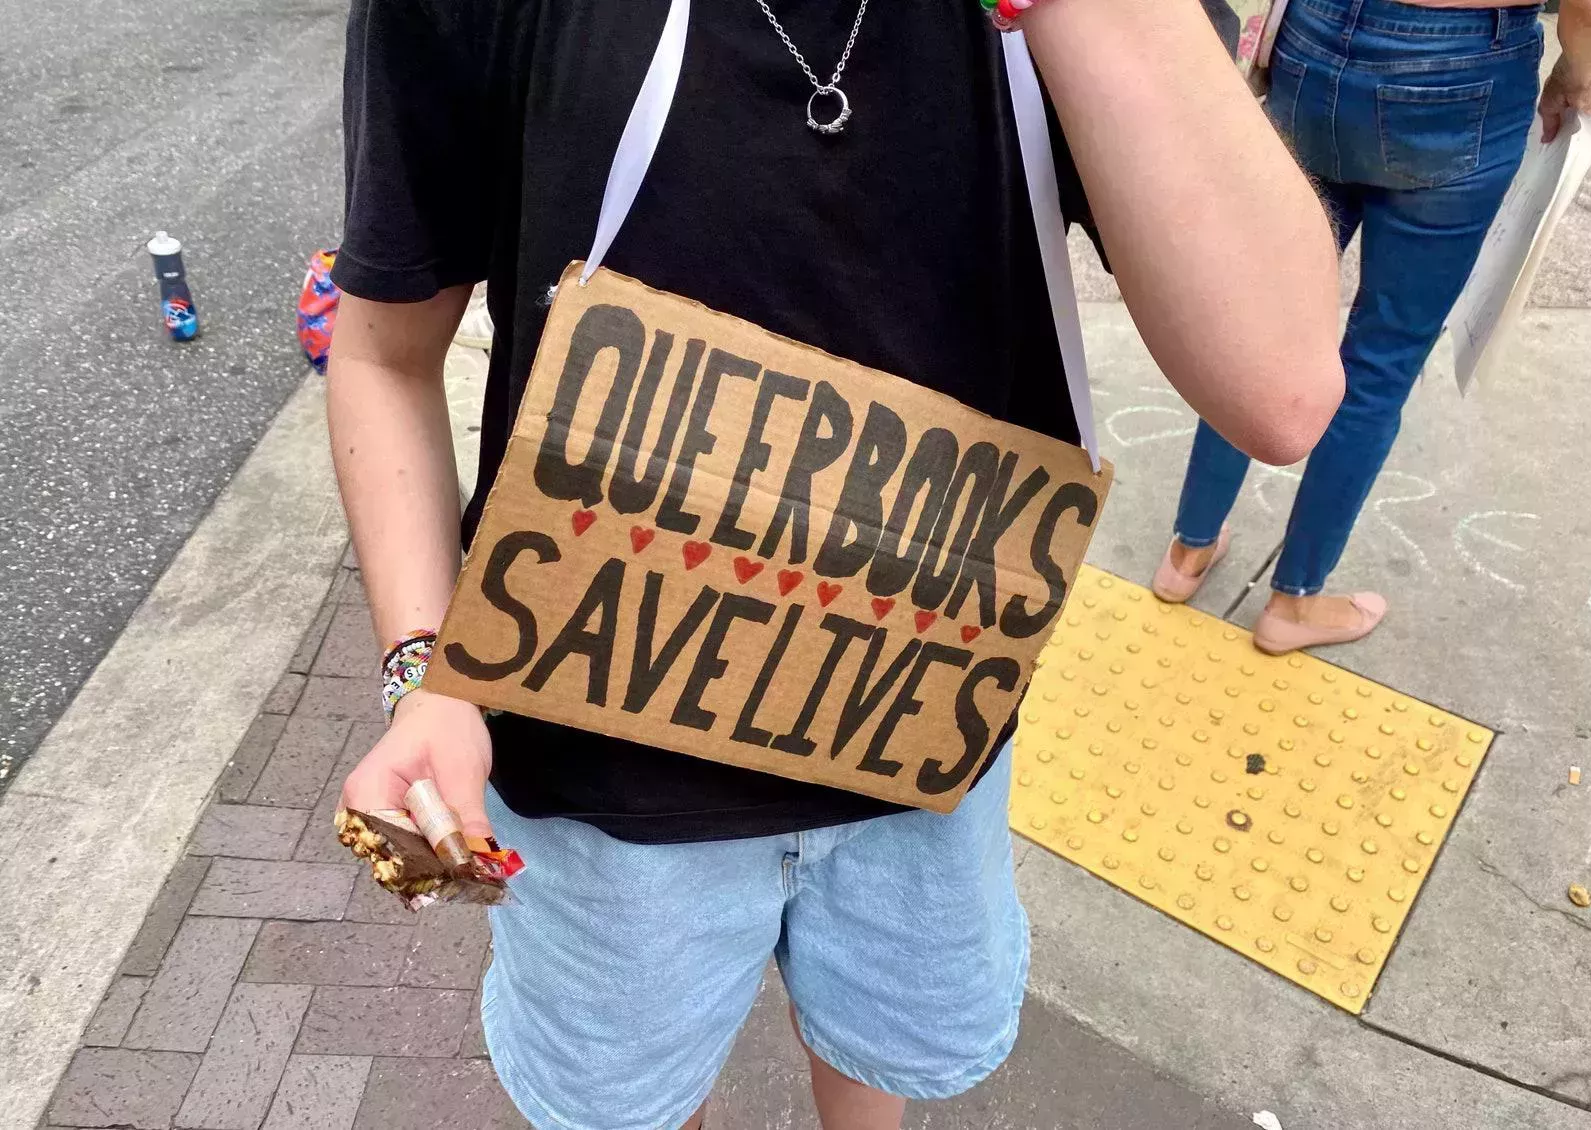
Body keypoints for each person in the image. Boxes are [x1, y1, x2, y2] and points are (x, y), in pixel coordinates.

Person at [327, 1, 1344, 1126]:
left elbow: (1282, 382)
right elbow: (381, 348)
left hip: (916, 743)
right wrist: (423, 672)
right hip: (597, 784)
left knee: (880, 1065)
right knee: (639, 1103)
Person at [1154, 0, 1591, 655]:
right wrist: (1577, 71)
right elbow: (1586, 12)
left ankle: (1187, 552)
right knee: (1381, 360)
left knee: (1259, 325)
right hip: (1462, 67)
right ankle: (1293, 602)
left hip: (1316, 36)